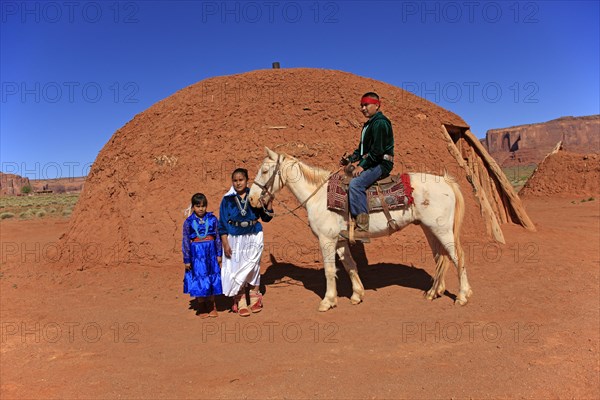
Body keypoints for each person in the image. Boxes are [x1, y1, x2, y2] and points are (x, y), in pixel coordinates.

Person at [340, 92, 394, 241]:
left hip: (382, 163)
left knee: (356, 184)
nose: (363, 108)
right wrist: (350, 159)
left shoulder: (380, 123)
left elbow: (377, 151)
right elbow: (362, 151)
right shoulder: (370, 124)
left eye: (366, 105)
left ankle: (363, 228)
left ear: (376, 105)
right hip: (373, 161)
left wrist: (362, 166)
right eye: (361, 106)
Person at [219, 168, 273, 317]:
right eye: (235, 180)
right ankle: (240, 297)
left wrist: (269, 202)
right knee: (237, 266)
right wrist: (225, 243)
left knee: (253, 265)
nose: (238, 183)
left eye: (241, 180)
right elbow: (222, 224)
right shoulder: (227, 199)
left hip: (254, 234)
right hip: (235, 237)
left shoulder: (254, 195)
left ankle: (255, 294)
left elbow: (266, 217)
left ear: (247, 180)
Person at [182, 193, 223, 318]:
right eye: (198, 206)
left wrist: (219, 254)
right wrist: (187, 259)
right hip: (196, 254)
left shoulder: (212, 219)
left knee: (211, 276)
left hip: (210, 252)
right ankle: (201, 306)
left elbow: (217, 237)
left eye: (203, 206)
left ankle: (211, 305)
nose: (201, 209)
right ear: (193, 207)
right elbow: (185, 241)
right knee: (199, 277)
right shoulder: (189, 222)